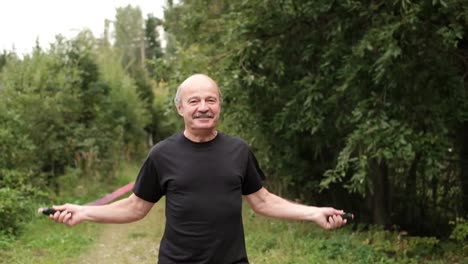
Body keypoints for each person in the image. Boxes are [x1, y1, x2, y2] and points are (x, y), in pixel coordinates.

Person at [49, 74, 348, 263]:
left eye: (210, 100)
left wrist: (313, 213)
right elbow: (135, 207)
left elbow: (263, 201)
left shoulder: (239, 151)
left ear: (219, 106)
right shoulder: (162, 154)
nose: (203, 107)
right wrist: (85, 212)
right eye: (194, 101)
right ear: (180, 108)